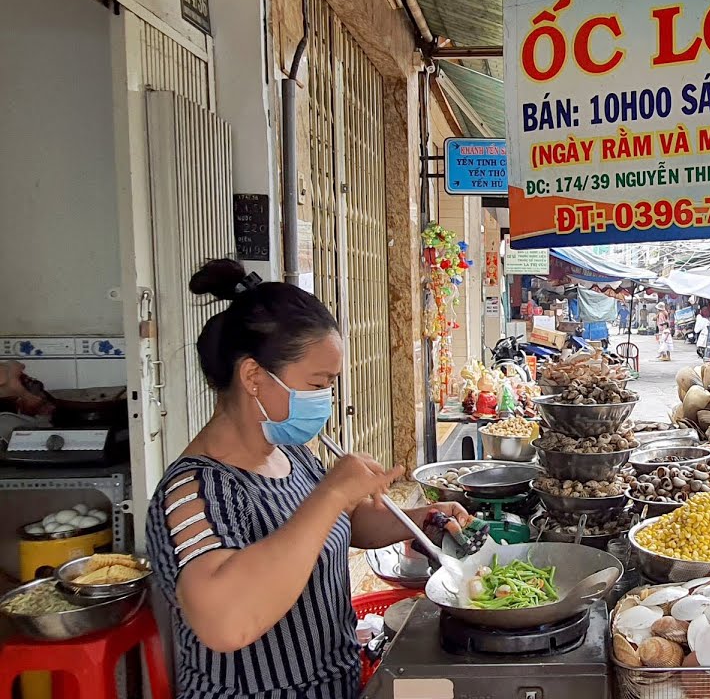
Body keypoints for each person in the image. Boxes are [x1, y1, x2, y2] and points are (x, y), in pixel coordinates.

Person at [146, 259, 470, 699]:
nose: (326, 401)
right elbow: (225, 622)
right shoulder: (193, 491)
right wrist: (333, 493)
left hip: (332, 683)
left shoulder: (291, 453)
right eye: (317, 384)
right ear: (254, 377)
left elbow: (337, 528)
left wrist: (418, 518)